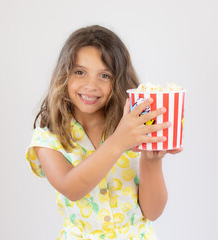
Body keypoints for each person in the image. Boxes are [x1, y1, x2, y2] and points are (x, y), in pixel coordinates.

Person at [26, 25, 182, 240]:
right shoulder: (47, 139)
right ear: (64, 75)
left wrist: (152, 160)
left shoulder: (131, 127)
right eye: (80, 72)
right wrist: (119, 142)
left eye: (105, 75)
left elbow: (153, 212)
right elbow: (72, 188)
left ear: (117, 80)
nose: (91, 85)